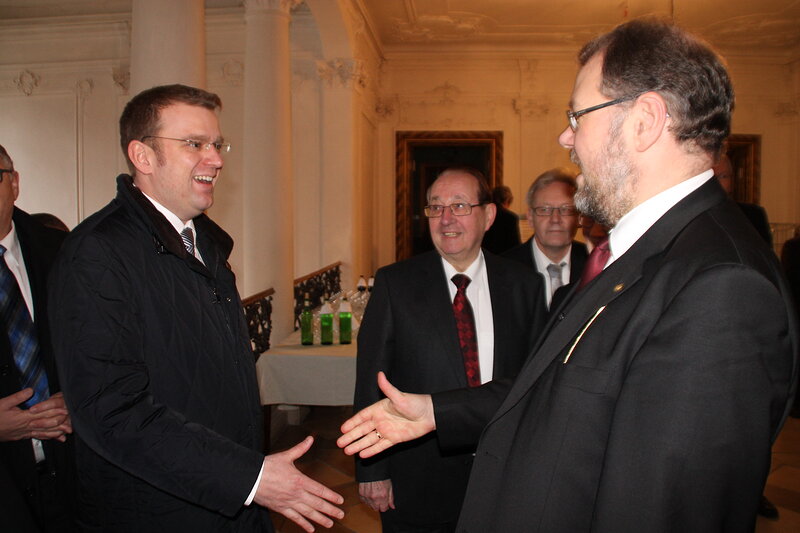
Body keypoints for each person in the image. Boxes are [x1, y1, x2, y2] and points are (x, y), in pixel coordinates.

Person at [339, 18, 797, 532]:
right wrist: (435, 411)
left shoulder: (722, 286)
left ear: (645, 121)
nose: (565, 137)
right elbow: (557, 385)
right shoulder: (648, 249)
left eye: (577, 117)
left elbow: (664, 510)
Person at [48, 85, 343, 532]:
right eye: (194, 144)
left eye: (217, 144)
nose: (217, 159)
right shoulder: (97, 253)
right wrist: (249, 477)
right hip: (159, 512)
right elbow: (111, 411)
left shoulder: (204, 241)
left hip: (224, 499)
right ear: (143, 156)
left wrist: (246, 477)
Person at [355, 167, 547, 532]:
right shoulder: (396, 284)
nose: (445, 219)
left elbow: (533, 381)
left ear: (488, 215)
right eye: (435, 207)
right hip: (420, 477)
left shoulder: (524, 286)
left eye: (459, 205)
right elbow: (371, 380)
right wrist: (372, 469)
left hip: (502, 473)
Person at [0, 145, 75, 532]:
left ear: (14, 183)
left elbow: (101, 350)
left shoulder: (65, 253)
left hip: (73, 471)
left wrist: (78, 397)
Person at [504, 169, 587, 309]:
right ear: (530, 217)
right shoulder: (504, 270)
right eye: (545, 210)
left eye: (566, 209)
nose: (555, 219)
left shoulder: (595, 264)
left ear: (578, 217)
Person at [713, 153, 773, 247]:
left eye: (723, 176)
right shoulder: (692, 215)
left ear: (731, 180)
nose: (717, 182)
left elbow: (765, 254)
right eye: (712, 177)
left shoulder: (753, 215)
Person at [481, 185, 521, 254]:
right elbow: (515, 245)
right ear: (507, 200)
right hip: (504, 257)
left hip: (486, 256)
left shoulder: (483, 214)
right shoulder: (511, 218)